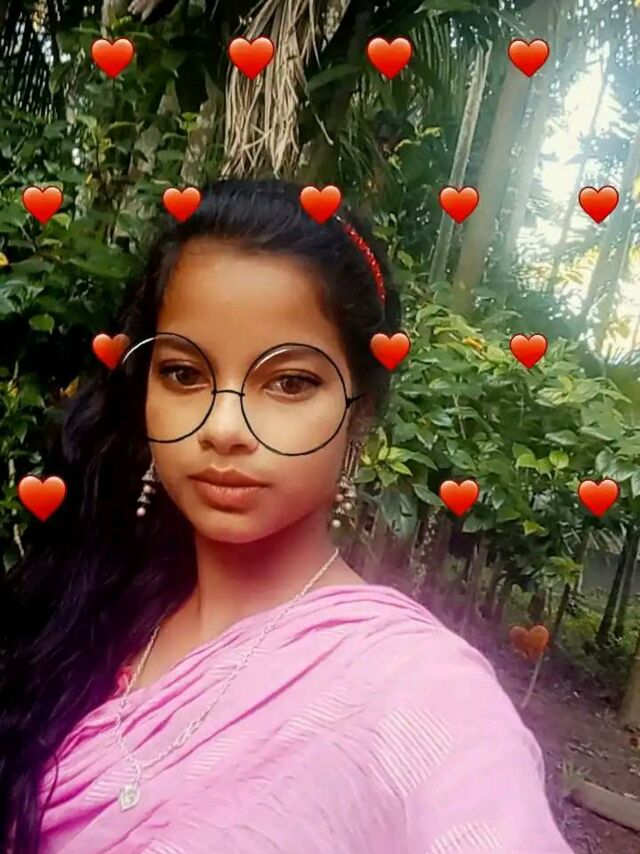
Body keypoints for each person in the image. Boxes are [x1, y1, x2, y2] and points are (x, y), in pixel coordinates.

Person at [0, 179, 574, 853]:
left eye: (290, 382)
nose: (223, 428)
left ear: (360, 410)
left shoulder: (415, 689)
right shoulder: (90, 611)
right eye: (184, 374)